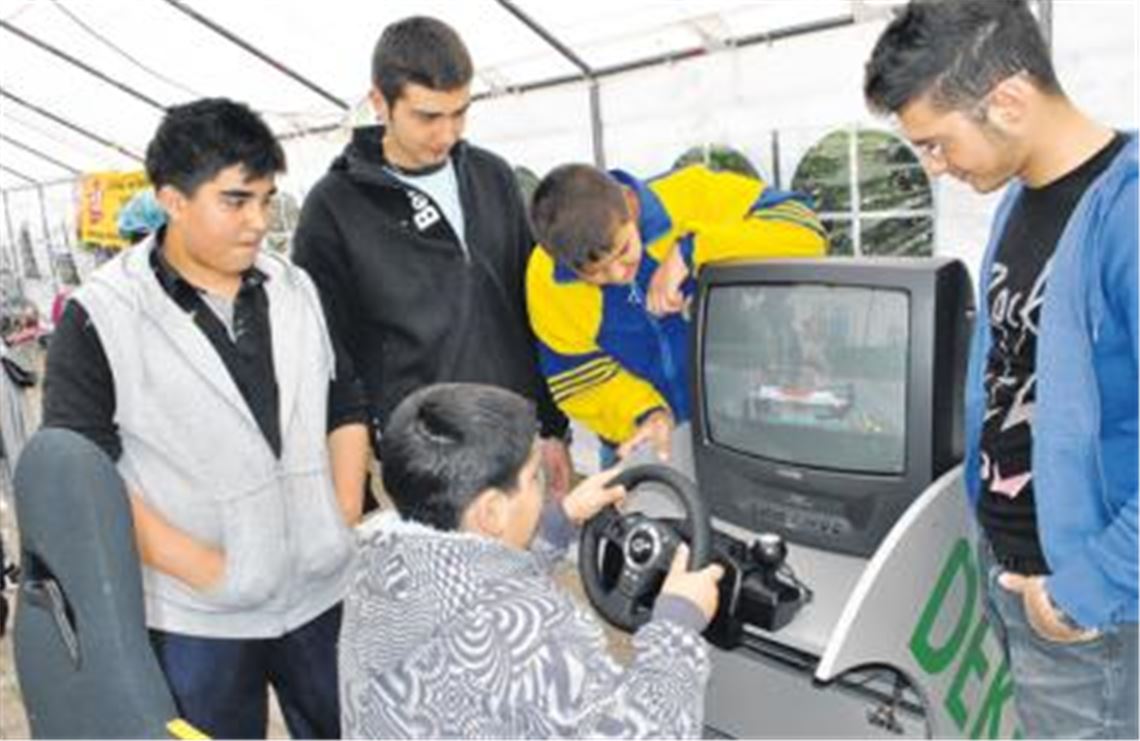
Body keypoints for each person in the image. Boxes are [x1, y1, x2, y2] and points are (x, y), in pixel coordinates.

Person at [41, 98, 372, 739]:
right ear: (171, 199)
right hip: (196, 618)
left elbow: (345, 399)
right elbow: (87, 475)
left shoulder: (294, 288)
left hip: (319, 593)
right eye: (236, 201)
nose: (257, 222)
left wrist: (342, 510)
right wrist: (207, 570)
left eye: (266, 200)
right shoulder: (101, 316)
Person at [865, 2, 1137, 737]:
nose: (934, 166)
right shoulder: (1019, 196)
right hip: (1016, 564)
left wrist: (1084, 591)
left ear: (1008, 101)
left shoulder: (1130, 214)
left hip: (1092, 602)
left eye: (937, 143)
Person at [339, 382, 725, 738]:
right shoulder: (522, 635)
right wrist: (677, 627)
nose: (546, 488)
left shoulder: (376, 560)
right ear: (491, 513)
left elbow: (466, 586)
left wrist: (559, 521)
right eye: (535, 477)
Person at [292, 16, 572, 498]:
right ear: (380, 103)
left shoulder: (494, 177)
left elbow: (535, 310)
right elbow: (329, 355)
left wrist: (552, 426)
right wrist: (354, 478)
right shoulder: (333, 207)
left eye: (460, 113)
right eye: (427, 116)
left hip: (517, 442)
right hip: (426, 462)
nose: (447, 134)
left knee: (528, 570)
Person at [527, 163, 827, 462]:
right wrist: (646, 414)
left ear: (629, 203)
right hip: (643, 440)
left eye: (623, 250)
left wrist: (691, 253)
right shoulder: (547, 280)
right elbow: (580, 378)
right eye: (596, 273)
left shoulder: (690, 195)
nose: (619, 274)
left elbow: (805, 228)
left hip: (744, 425)